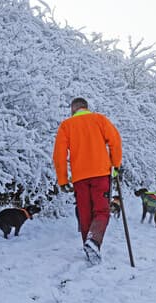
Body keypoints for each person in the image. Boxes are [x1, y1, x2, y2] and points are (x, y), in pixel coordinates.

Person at [53, 97, 122, 263]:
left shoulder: (66, 126)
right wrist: (116, 164)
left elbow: (59, 155)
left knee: (85, 213)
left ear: (73, 109)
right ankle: (94, 241)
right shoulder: (99, 119)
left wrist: (62, 179)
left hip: (79, 178)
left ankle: (89, 246)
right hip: (100, 174)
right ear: (86, 107)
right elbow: (115, 141)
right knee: (101, 211)